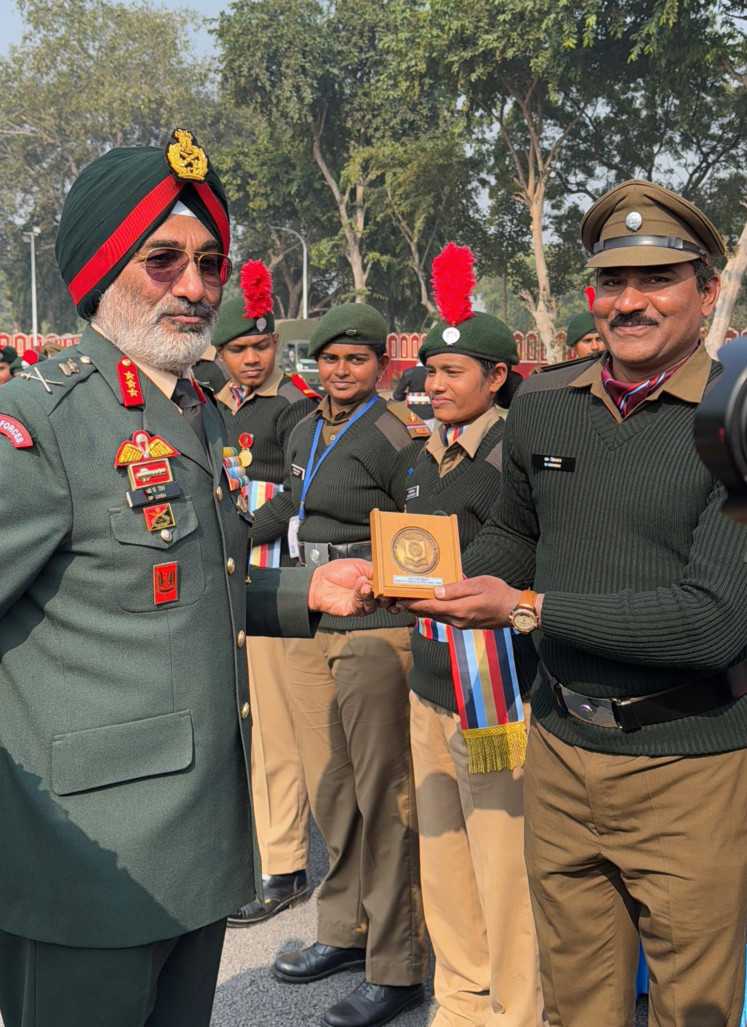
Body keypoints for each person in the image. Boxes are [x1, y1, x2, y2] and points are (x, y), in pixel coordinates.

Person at [0, 128, 377, 1027]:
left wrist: (307, 592)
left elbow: (180, 585)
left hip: (198, 843)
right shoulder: (41, 420)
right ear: (101, 271)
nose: (197, 285)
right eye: (162, 259)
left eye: (209, 261)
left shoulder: (194, 408)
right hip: (85, 863)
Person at [397, 180, 747, 1027]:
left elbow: (714, 619)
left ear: (708, 290)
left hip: (689, 763)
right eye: (611, 281)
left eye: (658, 279)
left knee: (694, 1009)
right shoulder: (543, 404)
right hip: (562, 749)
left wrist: (526, 607)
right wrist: (445, 585)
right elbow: (514, 530)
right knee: (576, 1002)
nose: (629, 301)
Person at [274, 303, 431, 1027]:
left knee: (384, 792)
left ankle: (397, 966)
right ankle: (345, 929)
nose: (339, 370)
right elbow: (288, 502)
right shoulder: (305, 425)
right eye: (329, 358)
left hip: (376, 620)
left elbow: (422, 528)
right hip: (310, 610)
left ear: (382, 365)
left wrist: (393, 590)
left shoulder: (398, 432)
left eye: (356, 359)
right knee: (332, 787)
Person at [405, 243, 541, 1027]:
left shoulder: (512, 454)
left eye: (452, 372)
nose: (436, 384)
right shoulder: (424, 456)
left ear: (496, 377)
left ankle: (515, 1011)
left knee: (503, 863)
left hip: (491, 687)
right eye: (430, 371)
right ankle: (459, 1001)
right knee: (445, 856)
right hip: (428, 681)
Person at [212, 258, 319, 926]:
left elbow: (298, 491)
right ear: (218, 353)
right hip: (221, 573)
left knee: (275, 724)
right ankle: (246, 854)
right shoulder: (206, 401)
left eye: (261, 346)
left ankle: (283, 866)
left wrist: (243, 528)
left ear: (276, 344)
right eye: (238, 349)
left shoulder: (296, 404)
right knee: (235, 721)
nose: (252, 359)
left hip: (270, 567)